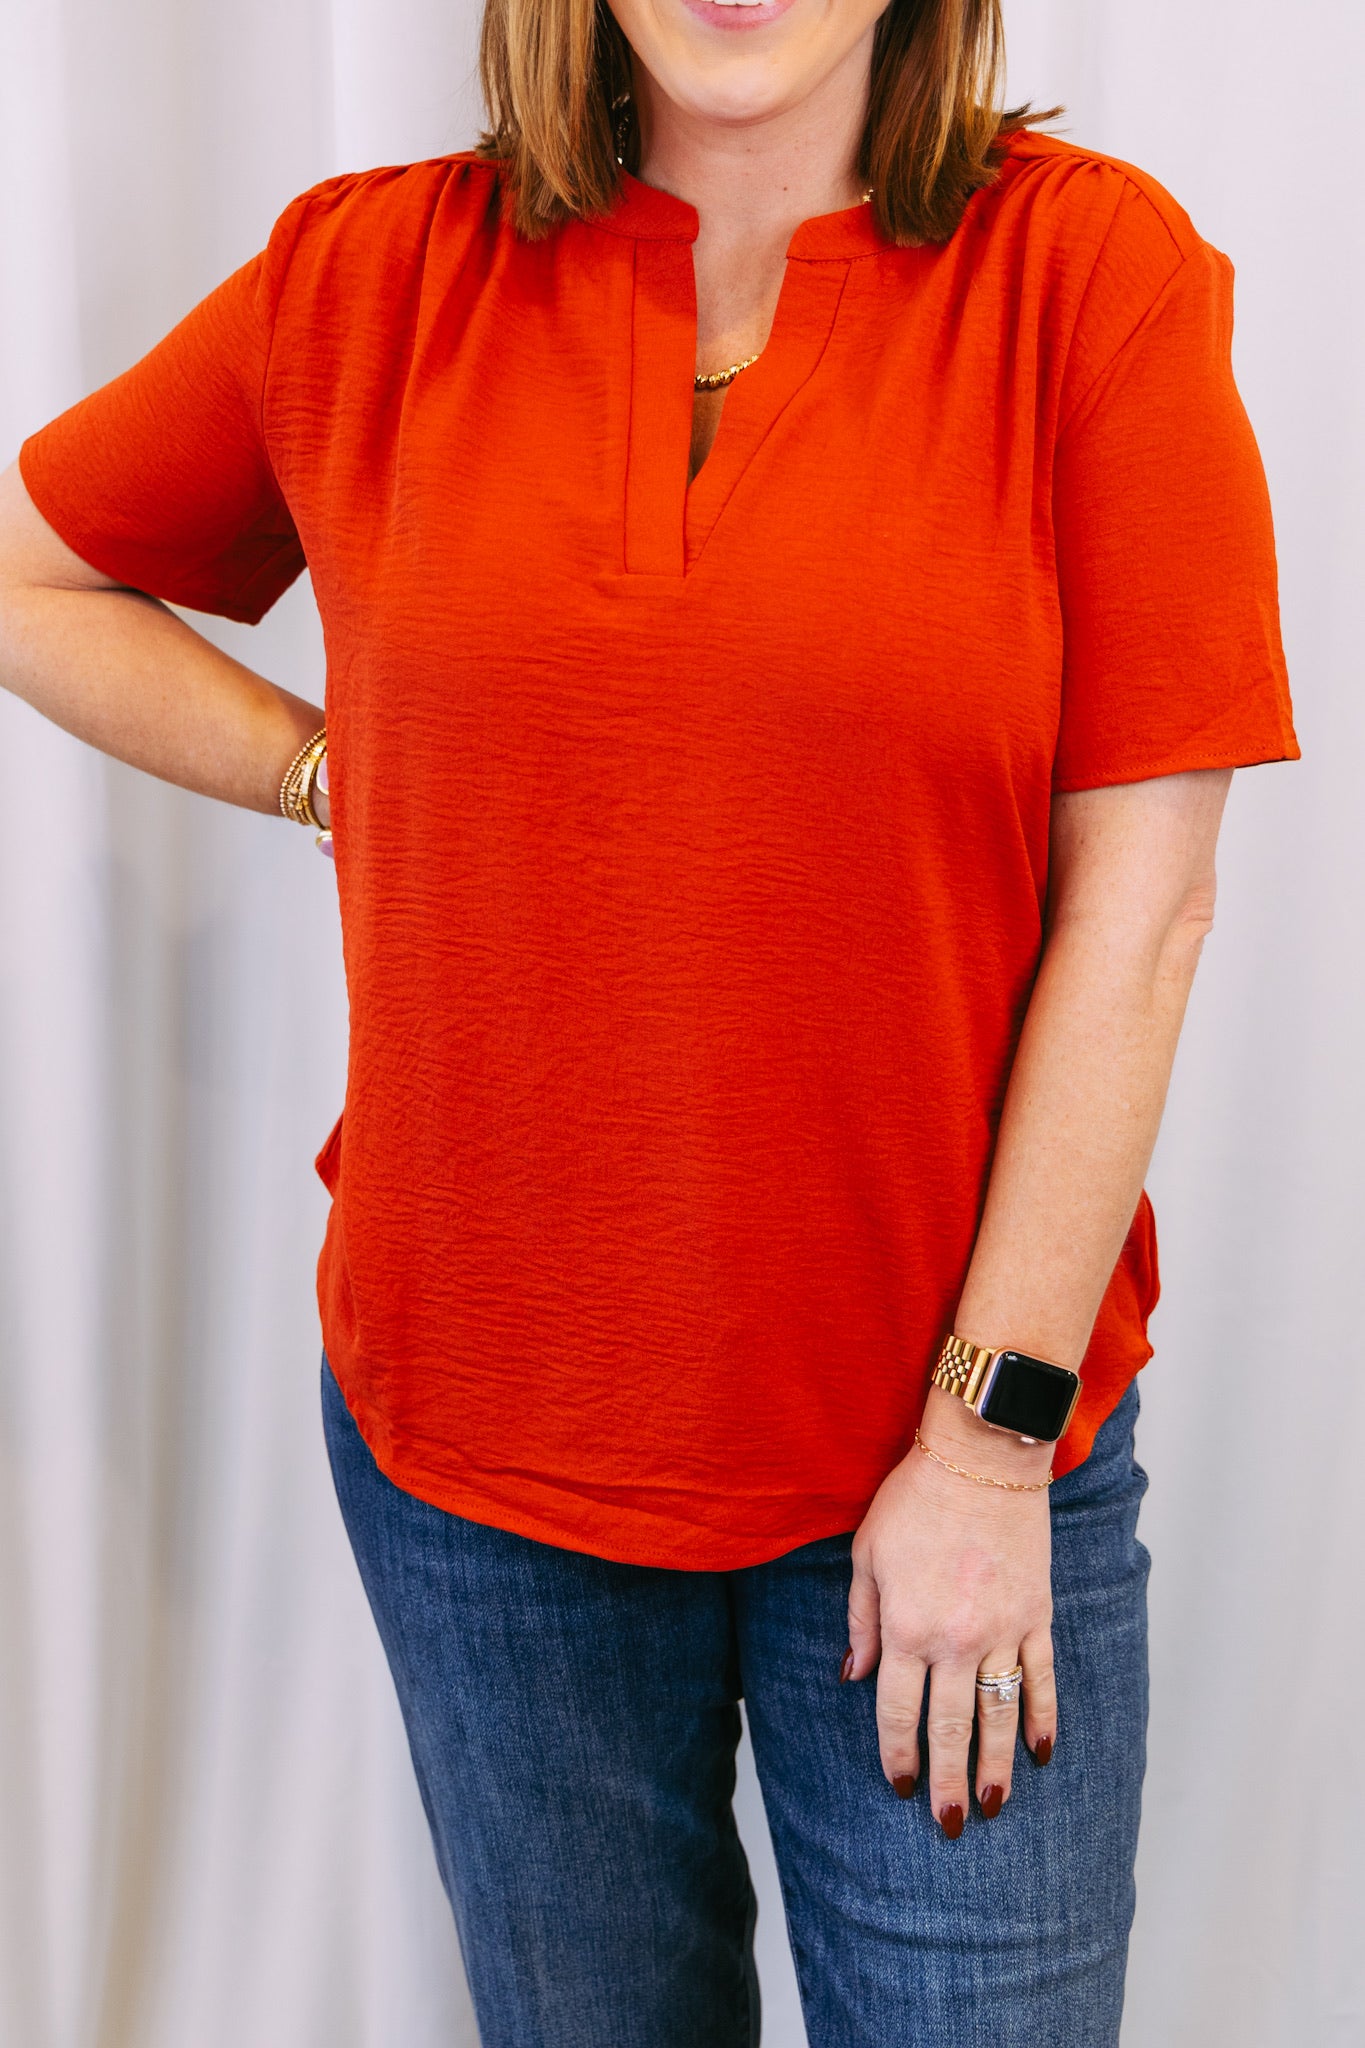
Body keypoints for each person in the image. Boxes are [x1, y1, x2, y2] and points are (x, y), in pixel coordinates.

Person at [0, 0, 1298, 2041]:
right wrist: (332, 772)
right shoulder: (366, 277)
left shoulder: (1085, 277)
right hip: (483, 1464)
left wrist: (982, 1452)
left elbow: (1139, 908)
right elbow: (33, 576)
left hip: (945, 1435)